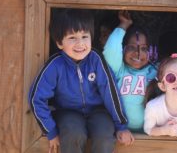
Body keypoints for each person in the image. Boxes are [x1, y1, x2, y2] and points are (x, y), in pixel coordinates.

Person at [28, 8, 134, 153]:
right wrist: (50, 131)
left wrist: (121, 126)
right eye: (72, 38)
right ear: (60, 43)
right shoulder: (55, 65)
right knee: (73, 133)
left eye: (85, 36)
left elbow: (110, 91)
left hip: (98, 111)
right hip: (68, 112)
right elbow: (36, 98)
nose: (80, 43)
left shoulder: (95, 59)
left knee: (104, 134)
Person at [103, 10, 177, 133]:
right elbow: (111, 51)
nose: (138, 53)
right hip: (121, 131)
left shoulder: (156, 71)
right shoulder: (118, 70)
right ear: (122, 49)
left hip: (150, 132)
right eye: (132, 47)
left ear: (150, 52)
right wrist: (123, 25)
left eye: (144, 48)